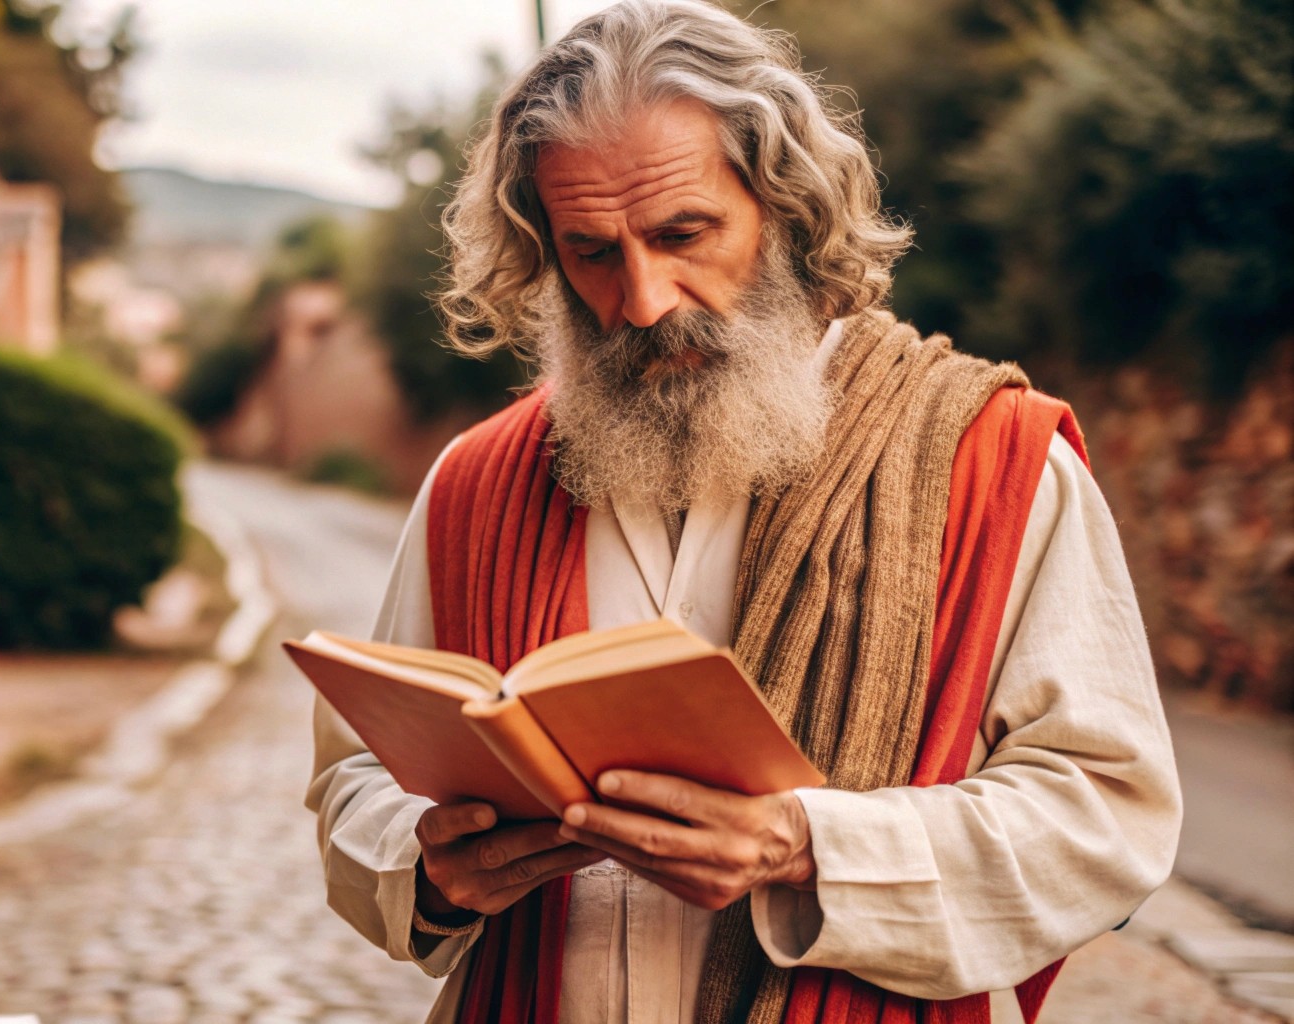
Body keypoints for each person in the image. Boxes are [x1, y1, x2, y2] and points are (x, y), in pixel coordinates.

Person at [305, 2, 1183, 1023]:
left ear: (786, 204)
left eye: (682, 234)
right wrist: (425, 861)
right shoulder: (473, 484)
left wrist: (803, 847)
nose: (640, 299)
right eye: (590, 252)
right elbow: (353, 780)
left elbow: (1105, 816)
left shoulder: (994, 463)